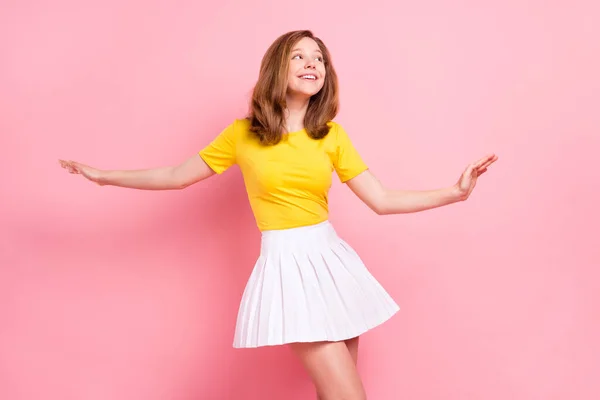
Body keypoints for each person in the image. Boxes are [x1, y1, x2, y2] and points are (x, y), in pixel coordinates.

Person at [59, 30, 497, 400]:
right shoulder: (242, 135)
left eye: (319, 58)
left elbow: (381, 200)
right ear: (278, 69)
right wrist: (104, 177)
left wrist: (454, 194)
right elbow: (176, 175)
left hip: (334, 263)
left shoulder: (330, 136)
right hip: (288, 268)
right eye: (299, 56)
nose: (312, 63)